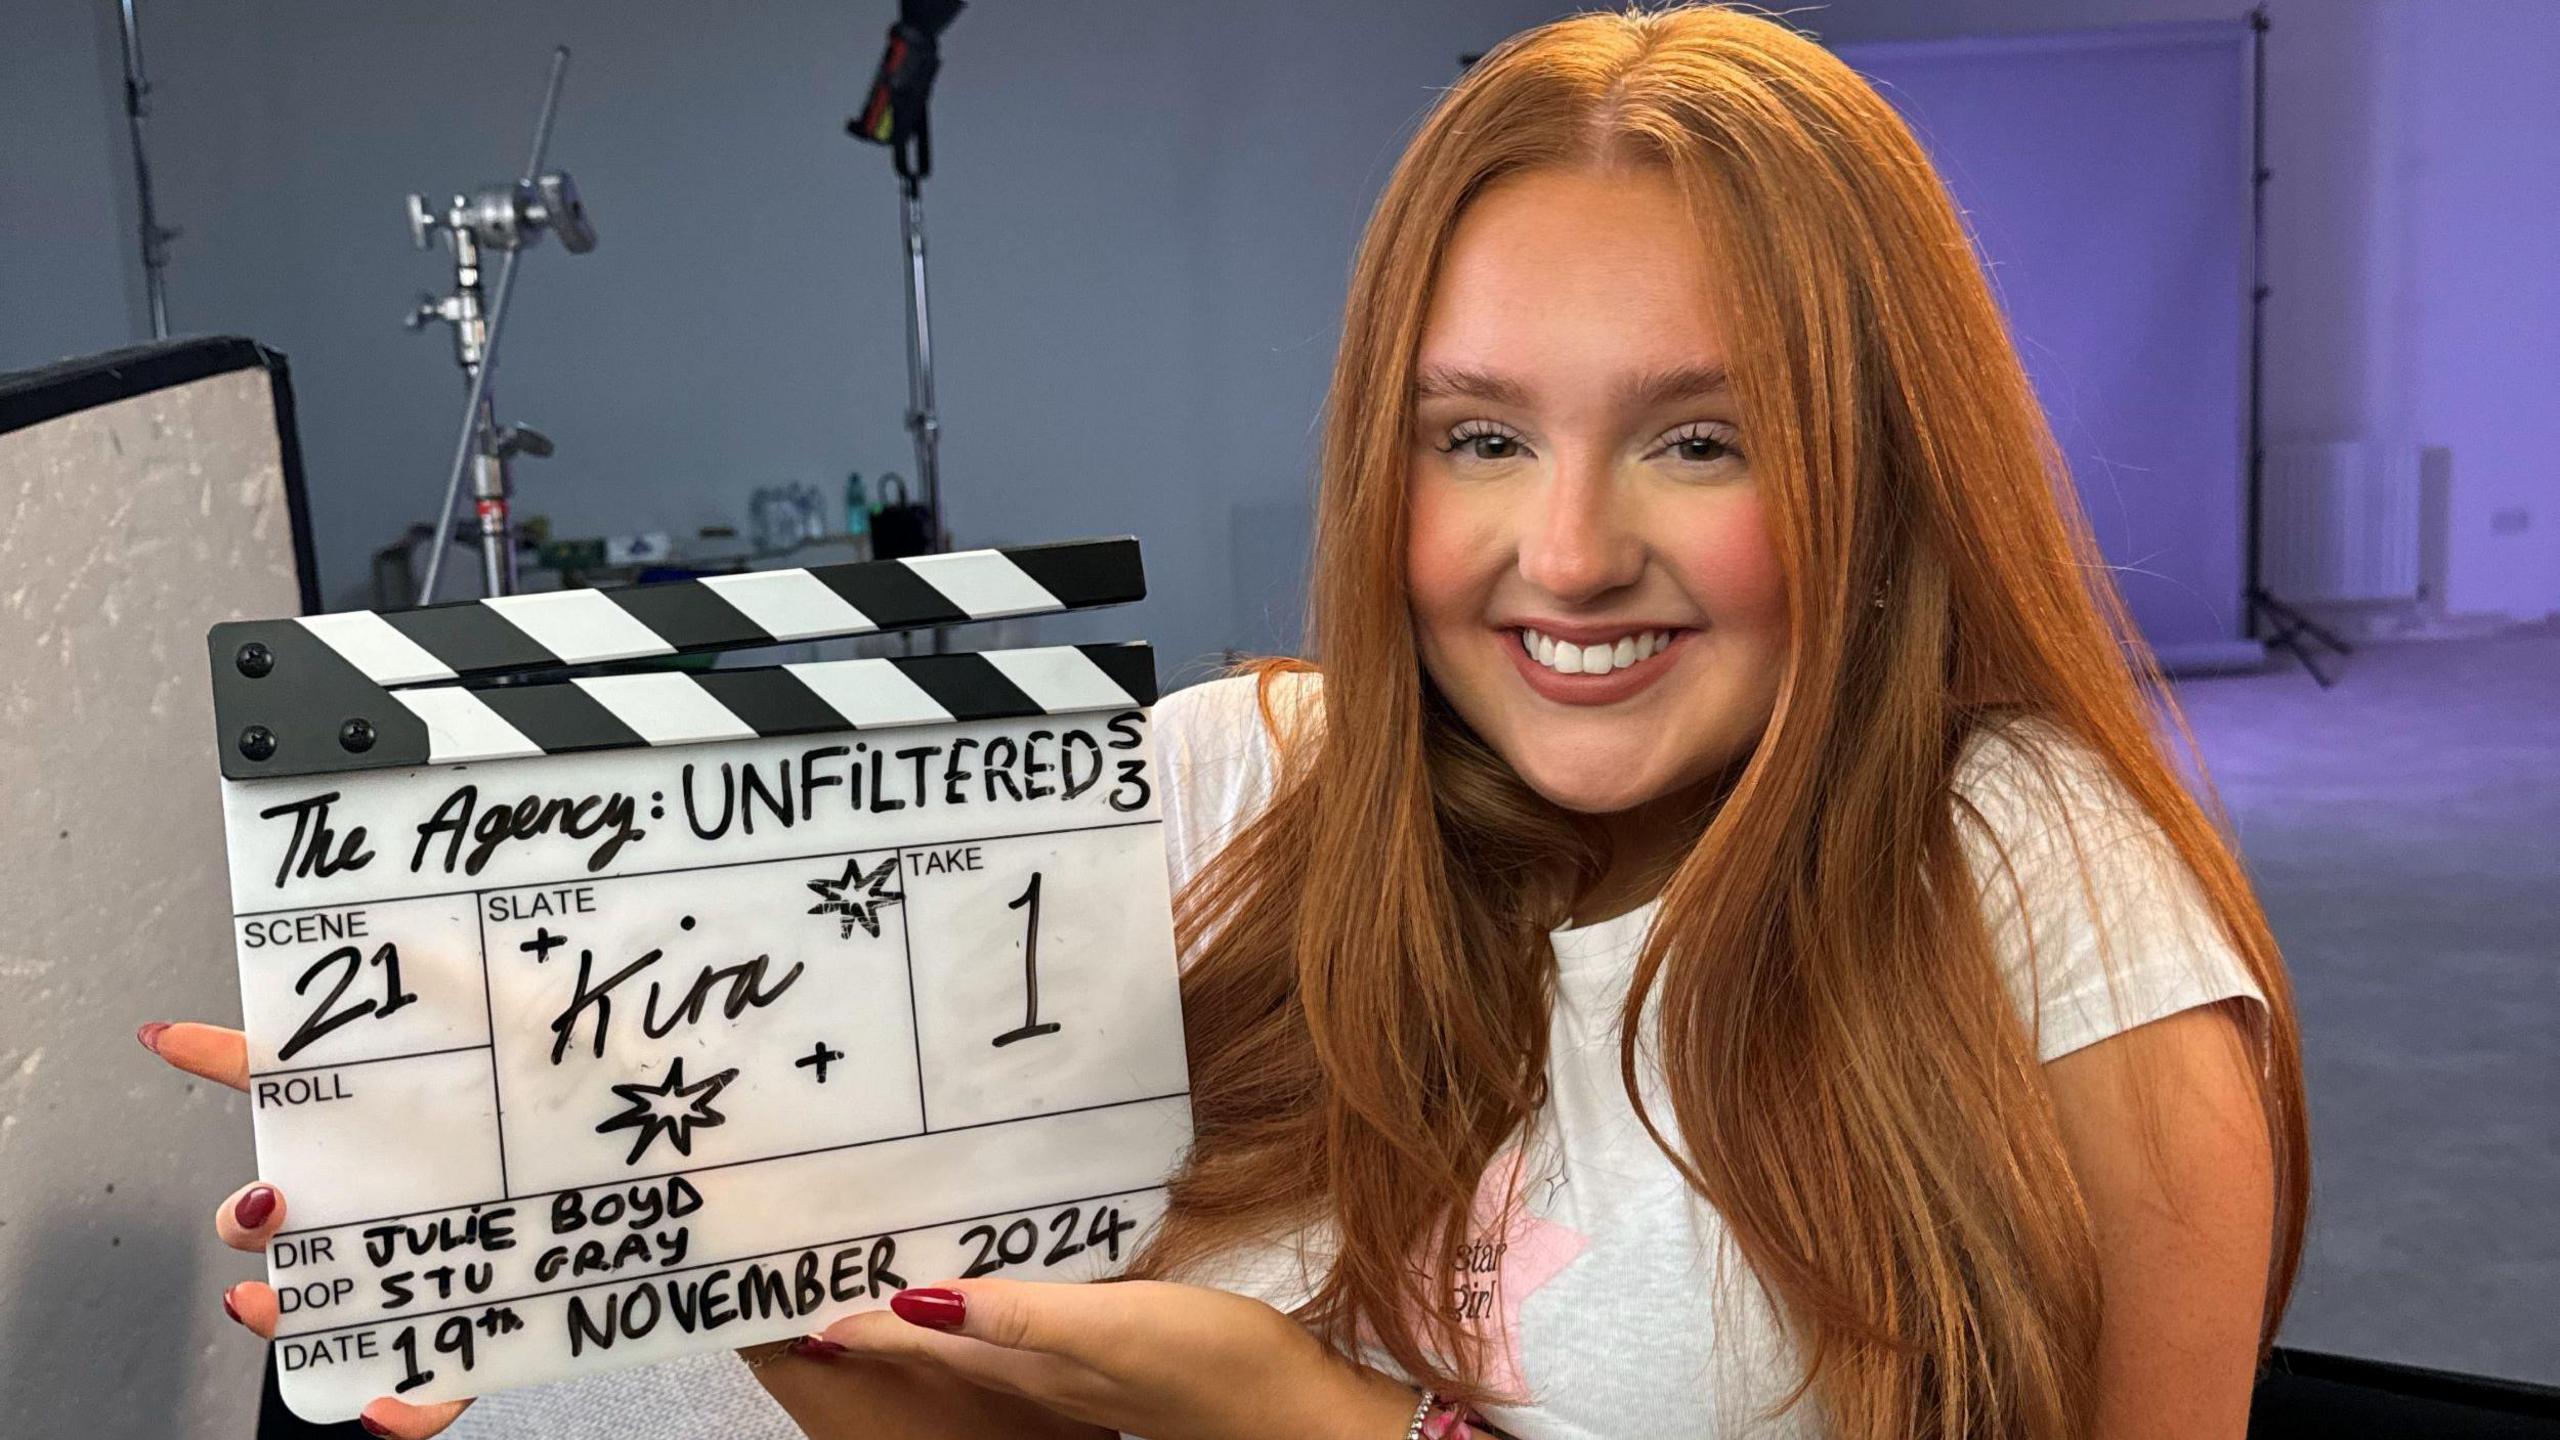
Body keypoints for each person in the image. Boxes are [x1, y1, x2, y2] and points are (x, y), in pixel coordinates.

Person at [142, 6, 2307, 1437]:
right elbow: (987, 1415)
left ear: (1876, 463)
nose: (1557, 555)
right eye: (1473, 440)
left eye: (1696, 442)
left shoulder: (2031, 885)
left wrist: (1306, 1421)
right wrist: (665, 1223)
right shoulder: (1219, 783)